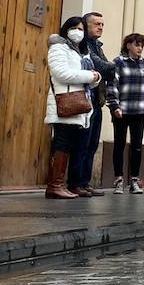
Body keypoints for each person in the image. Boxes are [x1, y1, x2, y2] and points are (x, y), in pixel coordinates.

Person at [43, 16, 102, 200]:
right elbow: (60, 73)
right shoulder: (58, 47)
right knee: (61, 143)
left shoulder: (79, 52)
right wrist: (89, 76)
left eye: (81, 29)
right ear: (66, 29)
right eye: (74, 27)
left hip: (78, 105)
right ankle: (55, 185)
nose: (78, 31)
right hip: (64, 103)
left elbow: (83, 82)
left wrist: (95, 78)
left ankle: (61, 185)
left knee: (70, 145)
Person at [68, 10, 112, 196]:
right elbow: (101, 67)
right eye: (97, 24)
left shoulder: (97, 46)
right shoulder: (83, 45)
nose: (101, 27)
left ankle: (85, 182)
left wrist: (108, 68)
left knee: (92, 144)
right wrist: (112, 66)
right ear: (86, 27)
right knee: (81, 144)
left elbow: (107, 71)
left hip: (98, 101)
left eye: (102, 24)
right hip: (84, 100)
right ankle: (75, 183)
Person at [105, 33, 144, 195]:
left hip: (139, 111)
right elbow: (112, 85)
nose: (140, 48)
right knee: (119, 144)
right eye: (137, 45)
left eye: (142, 46)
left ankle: (134, 181)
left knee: (137, 147)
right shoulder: (118, 62)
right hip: (122, 111)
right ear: (128, 45)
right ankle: (118, 180)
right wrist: (114, 106)